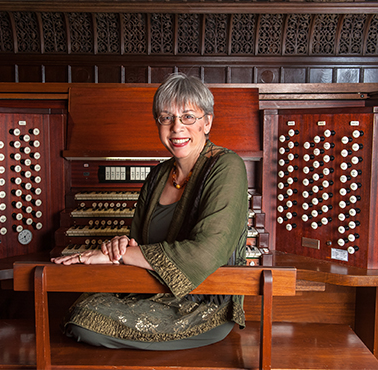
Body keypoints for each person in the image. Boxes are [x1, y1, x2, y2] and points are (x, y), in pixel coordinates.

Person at [51, 73, 248, 350]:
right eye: (166, 118)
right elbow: (137, 244)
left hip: (203, 302)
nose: (177, 128)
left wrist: (119, 255)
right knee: (80, 310)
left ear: (207, 122)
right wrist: (119, 248)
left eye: (188, 117)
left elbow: (206, 252)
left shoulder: (227, 167)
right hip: (150, 289)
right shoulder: (157, 175)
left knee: (85, 322)